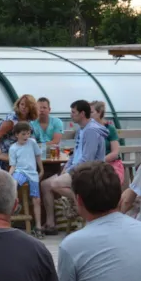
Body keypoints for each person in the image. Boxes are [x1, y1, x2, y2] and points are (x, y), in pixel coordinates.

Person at [40, 100, 107, 233]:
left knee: (55, 184)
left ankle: (86, 203)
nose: (71, 115)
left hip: (89, 172)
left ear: (82, 114)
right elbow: (75, 154)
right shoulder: (82, 130)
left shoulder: (91, 131)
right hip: (77, 169)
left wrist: (69, 171)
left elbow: (87, 159)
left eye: (73, 112)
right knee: (45, 185)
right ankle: (51, 224)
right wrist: (66, 167)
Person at [8, 121, 44, 235]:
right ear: (16, 135)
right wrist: (9, 175)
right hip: (20, 171)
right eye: (23, 134)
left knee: (36, 199)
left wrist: (41, 169)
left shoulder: (32, 142)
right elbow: (13, 165)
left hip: (32, 173)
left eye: (28, 133)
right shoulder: (13, 148)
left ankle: (38, 226)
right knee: (13, 183)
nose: (26, 136)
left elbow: (38, 156)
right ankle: (16, 204)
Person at [0, 95, 40, 161]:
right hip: (7, 152)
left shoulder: (29, 120)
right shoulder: (12, 120)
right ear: (18, 105)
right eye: (22, 104)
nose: (24, 107)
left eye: (27, 106)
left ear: (31, 107)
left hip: (22, 152)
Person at [91, 101, 124, 184]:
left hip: (110, 163)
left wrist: (99, 162)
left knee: (109, 180)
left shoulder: (109, 129)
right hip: (92, 165)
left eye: (91, 112)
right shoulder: (86, 130)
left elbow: (115, 153)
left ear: (99, 113)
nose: (88, 115)